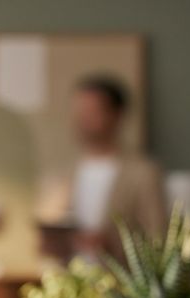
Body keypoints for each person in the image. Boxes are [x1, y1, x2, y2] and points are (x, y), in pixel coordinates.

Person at [68, 75, 166, 258]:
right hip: (71, 279)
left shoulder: (143, 173)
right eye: (80, 112)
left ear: (116, 114)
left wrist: (112, 243)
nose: (83, 120)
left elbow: (158, 237)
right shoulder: (67, 172)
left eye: (92, 112)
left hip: (120, 279)